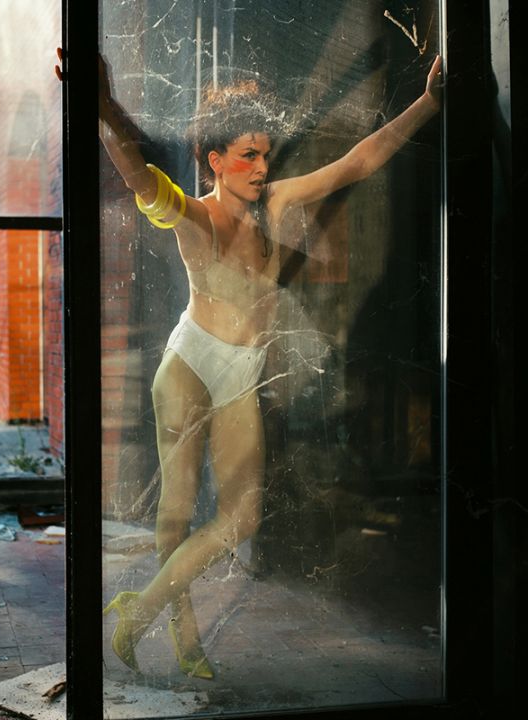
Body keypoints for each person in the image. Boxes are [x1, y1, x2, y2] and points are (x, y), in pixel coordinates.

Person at [58, 49, 442, 679]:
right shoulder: (195, 217)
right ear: (215, 160)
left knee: (243, 517)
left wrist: (428, 102)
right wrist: (99, 107)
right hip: (188, 365)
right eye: (247, 156)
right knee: (176, 512)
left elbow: (358, 162)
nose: (262, 168)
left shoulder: (280, 203)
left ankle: (138, 610)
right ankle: (186, 639)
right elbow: (137, 175)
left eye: (265, 154)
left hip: (240, 371)